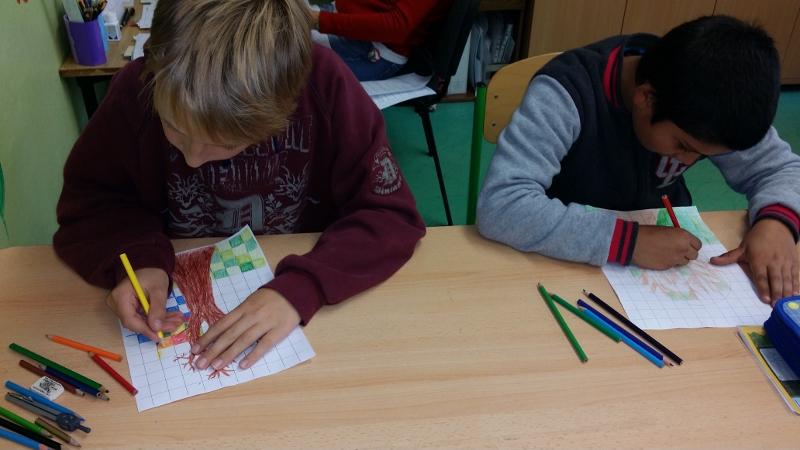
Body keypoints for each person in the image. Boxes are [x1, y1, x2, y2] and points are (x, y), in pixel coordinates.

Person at [54, 0, 425, 372]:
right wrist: (137, 259)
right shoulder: (135, 92)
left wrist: (303, 288)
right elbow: (91, 204)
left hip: (309, 312)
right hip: (178, 277)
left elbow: (388, 215)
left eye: (226, 144)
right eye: (174, 129)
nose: (193, 159)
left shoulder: (324, 86)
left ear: (285, 109)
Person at [476, 15, 800, 306]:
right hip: (559, 260)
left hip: (658, 261)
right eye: (683, 146)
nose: (690, 159)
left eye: (702, 154)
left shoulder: (710, 102)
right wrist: (627, 242)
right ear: (646, 99)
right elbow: (502, 205)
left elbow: (782, 168)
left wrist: (776, 225)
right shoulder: (567, 92)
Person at [306, 0, 452, 81]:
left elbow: (397, 27)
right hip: (342, 15)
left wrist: (318, 20)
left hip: (373, 48)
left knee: (293, 63)